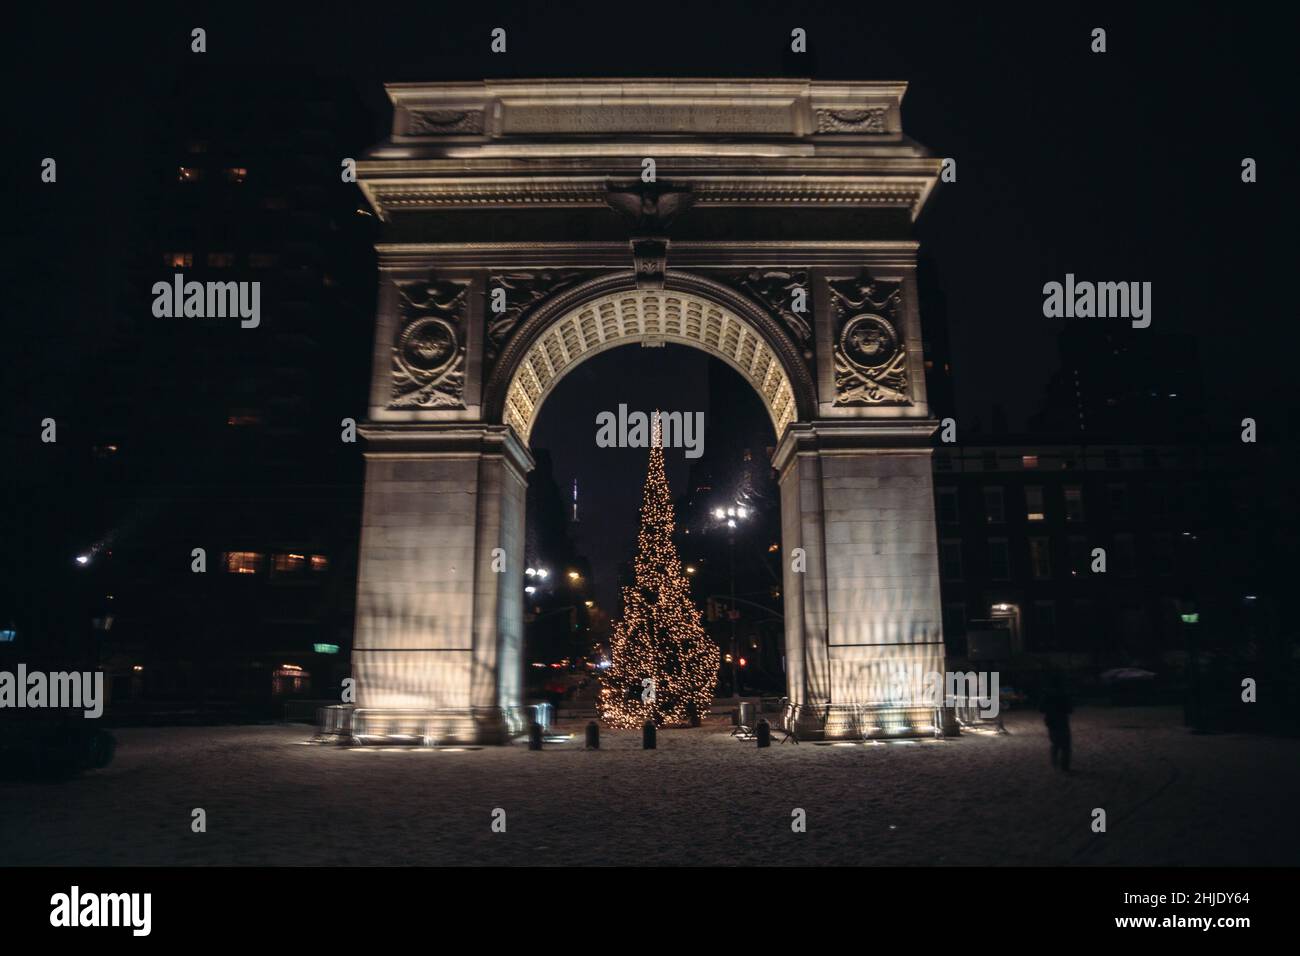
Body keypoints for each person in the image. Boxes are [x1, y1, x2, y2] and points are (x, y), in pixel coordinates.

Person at [1039, 676, 1073, 772]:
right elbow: (1070, 709)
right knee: (1066, 745)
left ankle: (1055, 763)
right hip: (1062, 721)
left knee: (1055, 743)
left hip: (1051, 721)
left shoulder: (1046, 695)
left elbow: (1041, 709)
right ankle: (1065, 767)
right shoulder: (1064, 694)